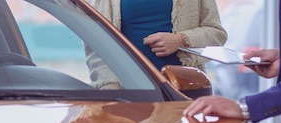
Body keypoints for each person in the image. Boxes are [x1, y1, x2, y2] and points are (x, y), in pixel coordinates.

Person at [85, 0, 227, 89]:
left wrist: (180, 40)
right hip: (129, 91)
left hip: (185, 90)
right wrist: (109, 85)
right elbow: (96, 43)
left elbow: (217, 34)